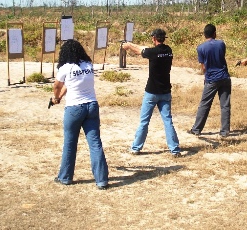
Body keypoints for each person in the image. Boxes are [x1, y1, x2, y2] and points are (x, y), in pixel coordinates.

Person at [51, 39, 109, 190]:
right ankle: (101, 180)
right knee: (95, 143)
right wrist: (60, 96)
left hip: (74, 108)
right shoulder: (88, 65)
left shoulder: (65, 68)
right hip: (91, 106)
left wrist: (55, 97)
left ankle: (65, 177)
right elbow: (70, 85)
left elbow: (58, 85)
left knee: (70, 144)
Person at [122, 29, 181, 157]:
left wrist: (128, 46)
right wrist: (130, 44)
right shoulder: (168, 50)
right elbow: (144, 49)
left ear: (154, 38)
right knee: (168, 121)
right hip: (165, 91)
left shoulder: (153, 52)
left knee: (144, 121)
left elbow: (140, 51)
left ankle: (136, 148)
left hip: (152, 92)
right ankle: (175, 149)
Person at [188, 24, 231, 138]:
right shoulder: (221, 44)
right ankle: (225, 131)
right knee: (225, 105)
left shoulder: (201, 48)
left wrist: (205, 76)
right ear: (214, 33)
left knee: (204, 104)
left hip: (212, 79)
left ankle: (196, 129)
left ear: (204, 34)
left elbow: (204, 67)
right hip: (224, 77)